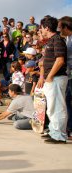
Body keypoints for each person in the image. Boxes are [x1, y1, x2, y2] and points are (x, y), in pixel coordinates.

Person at [38, 16, 68, 144]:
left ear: (47, 27)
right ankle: (53, 131)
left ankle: (59, 135)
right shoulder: (51, 41)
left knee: (57, 107)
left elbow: (60, 60)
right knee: (51, 107)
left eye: (41, 27)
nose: (41, 30)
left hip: (56, 78)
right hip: (51, 79)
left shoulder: (58, 40)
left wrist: (50, 76)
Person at [58, 16, 72, 138]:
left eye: (60, 27)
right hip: (69, 74)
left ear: (66, 27)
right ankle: (68, 128)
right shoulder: (67, 39)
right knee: (66, 102)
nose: (59, 29)